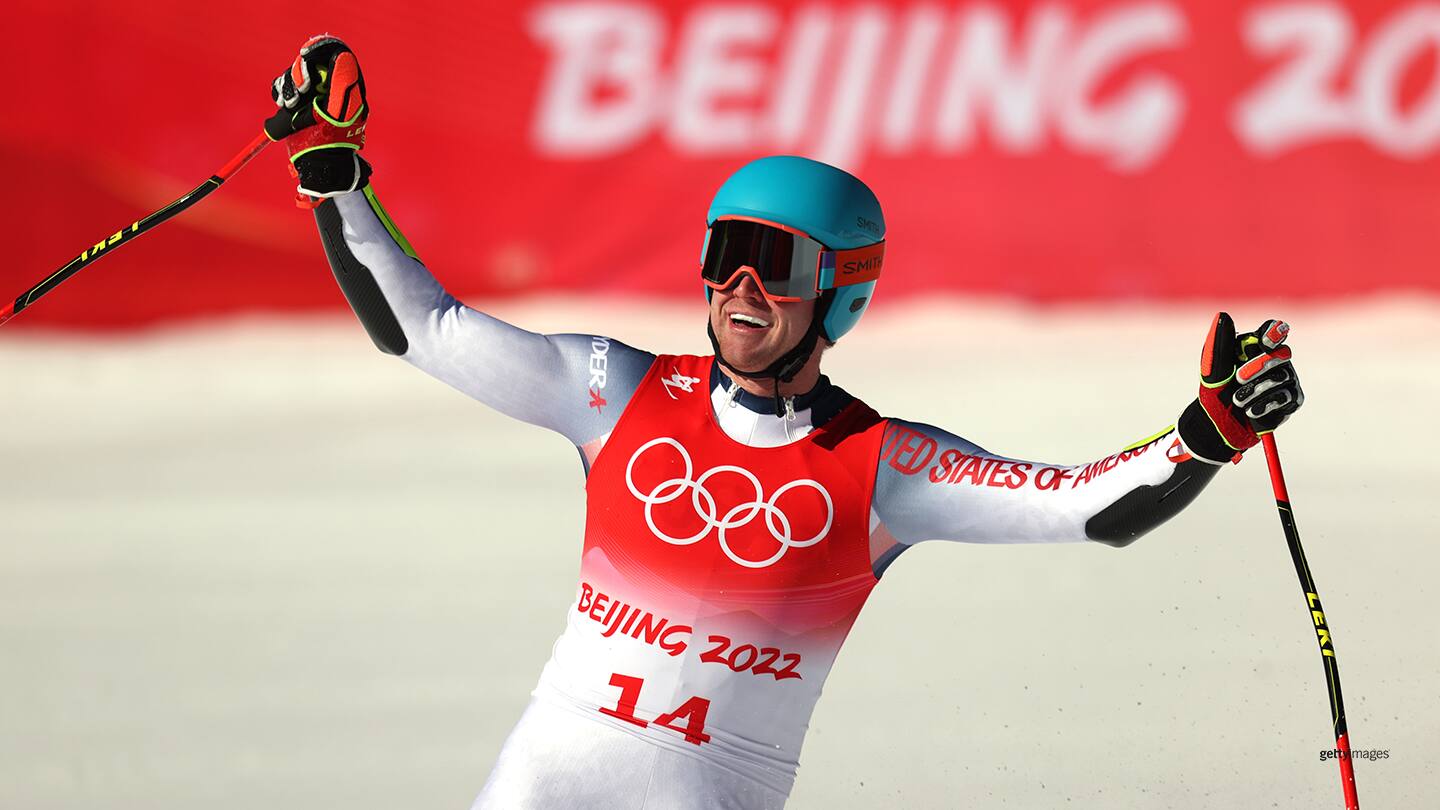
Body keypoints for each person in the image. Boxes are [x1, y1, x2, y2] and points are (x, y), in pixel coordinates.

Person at [264, 36, 1305, 809]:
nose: (743, 289)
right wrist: (334, 171)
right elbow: (424, 328)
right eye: (727, 256)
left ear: (842, 292)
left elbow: (1087, 508)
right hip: (544, 778)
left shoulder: (883, 466)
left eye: (780, 264)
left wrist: (1207, 431)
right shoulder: (611, 391)